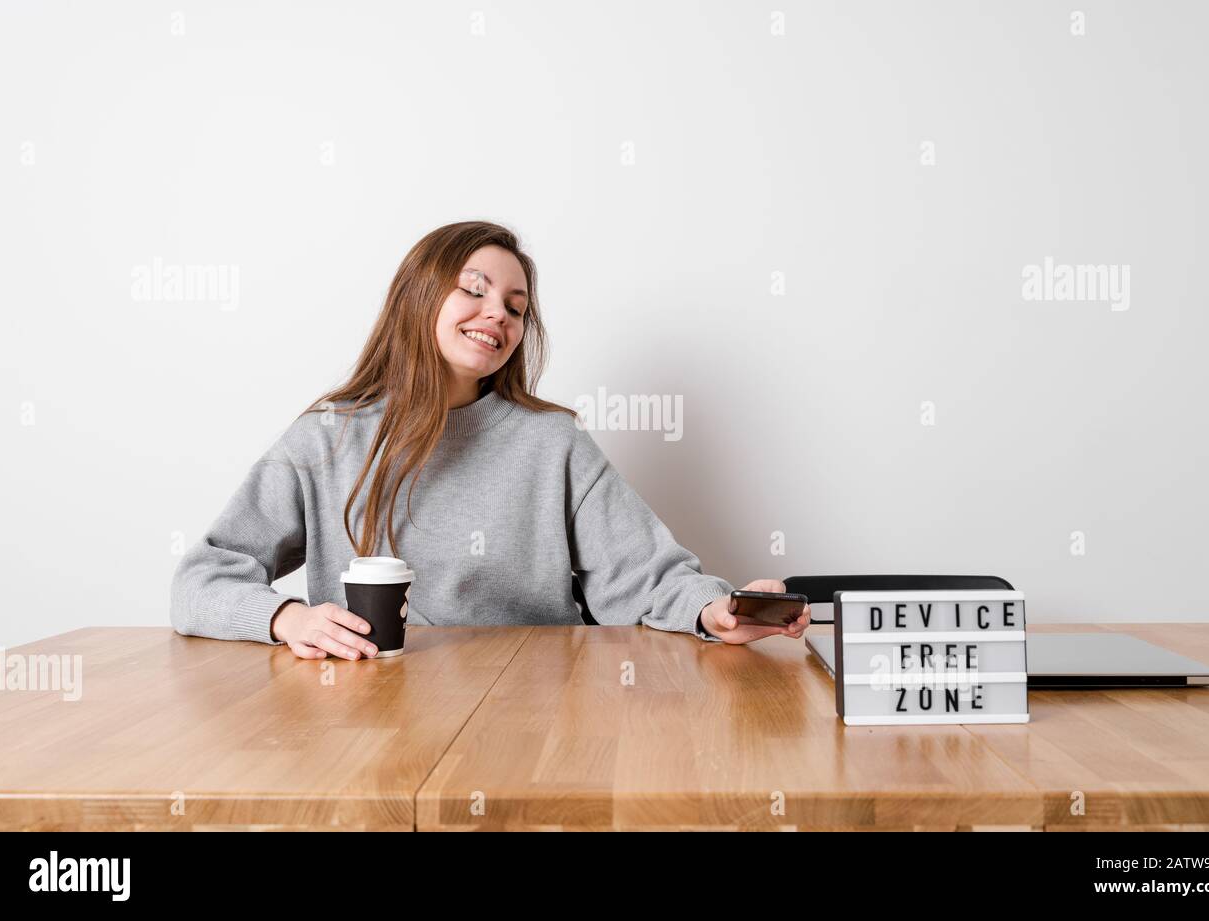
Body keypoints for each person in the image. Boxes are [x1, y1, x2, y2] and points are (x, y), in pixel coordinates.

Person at [170, 221, 811, 659]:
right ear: (418, 297)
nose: (497, 315)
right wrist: (286, 621)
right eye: (474, 290)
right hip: (366, 717)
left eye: (515, 306)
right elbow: (199, 582)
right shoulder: (325, 441)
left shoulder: (552, 444)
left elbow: (644, 577)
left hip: (530, 716)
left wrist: (715, 610)